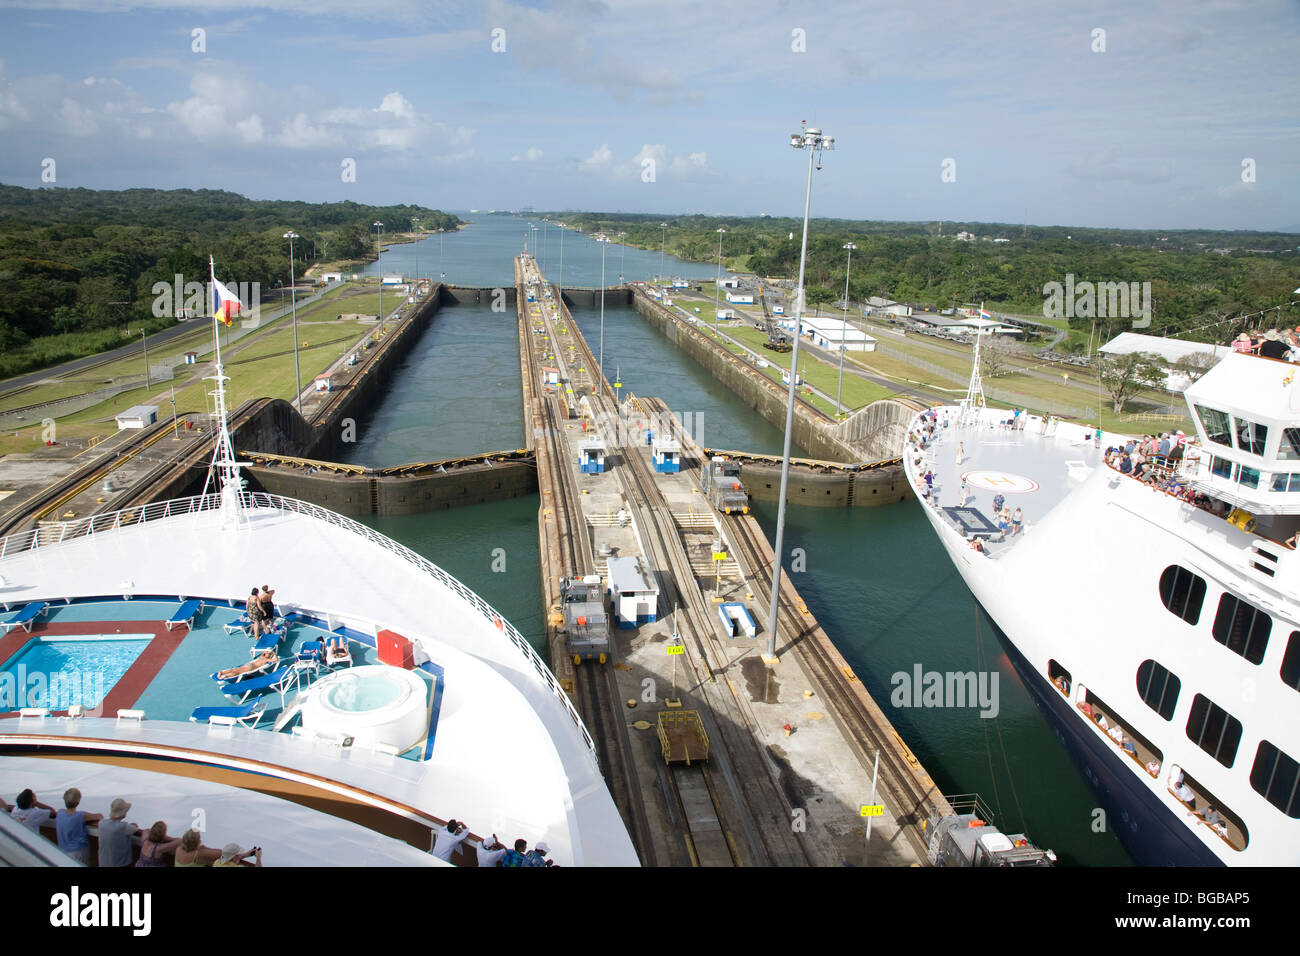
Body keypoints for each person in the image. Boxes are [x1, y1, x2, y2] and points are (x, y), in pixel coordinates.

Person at [56, 787, 102, 865]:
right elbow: (100, 816)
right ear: (78, 801)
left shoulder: (60, 813)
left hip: (63, 851)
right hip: (78, 852)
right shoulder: (80, 815)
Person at [97, 798, 140, 868]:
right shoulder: (123, 827)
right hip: (120, 864)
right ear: (122, 813)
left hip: (104, 863)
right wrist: (132, 825)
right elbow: (135, 829)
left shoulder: (101, 823)